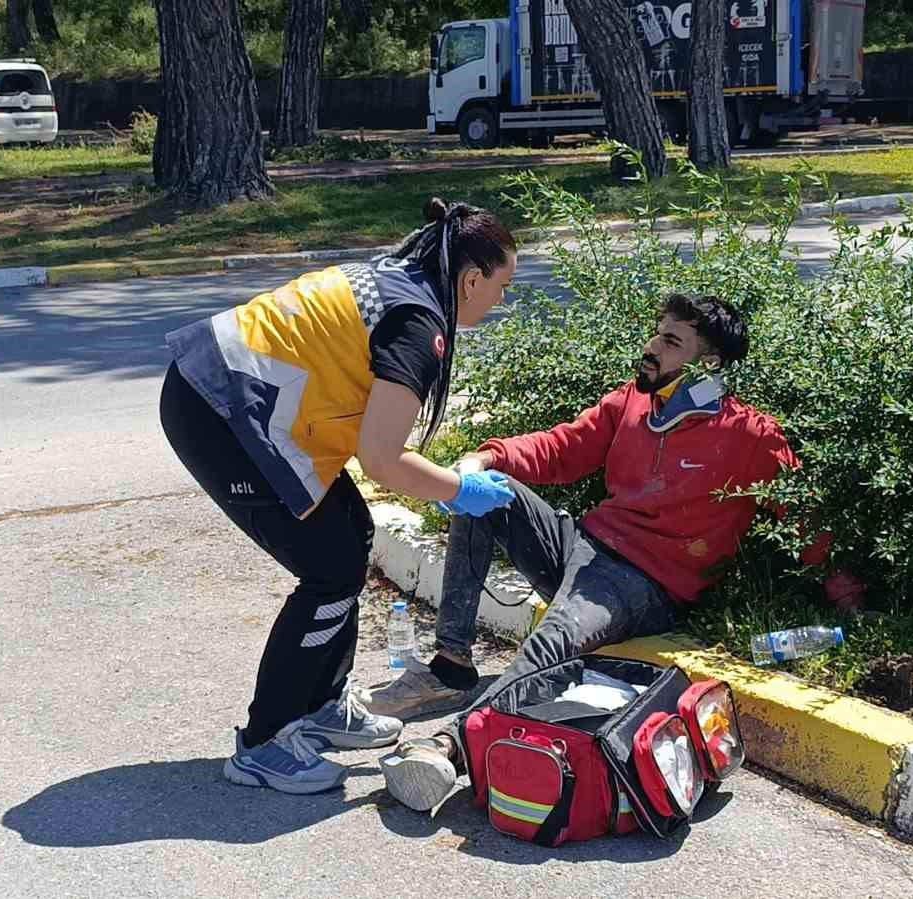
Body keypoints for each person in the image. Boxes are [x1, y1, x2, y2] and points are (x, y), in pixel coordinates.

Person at [368, 293, 864, 812]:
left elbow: (802, 519)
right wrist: (485, 458)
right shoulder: (632, 401)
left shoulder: (750, 435)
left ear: (708, 363)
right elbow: (563, 446)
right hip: (583, 547)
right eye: (657, 332)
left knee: (553, 639)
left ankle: (450, 749)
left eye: (671, 341)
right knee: (486, 494)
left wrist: (847, 596)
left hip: (644, 584)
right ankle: (452, 667)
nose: (651, 347)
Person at [159, 199, 520, 795]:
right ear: (472, 279)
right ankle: (264, 742)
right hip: (217, 411)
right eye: (501, 287)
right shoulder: (418, 325)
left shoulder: (406, 278)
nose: (500, 301)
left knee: (353, 535)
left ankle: (323, 705)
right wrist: (460, 490)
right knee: (329, 571)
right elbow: (383, 458)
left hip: (241, 403)